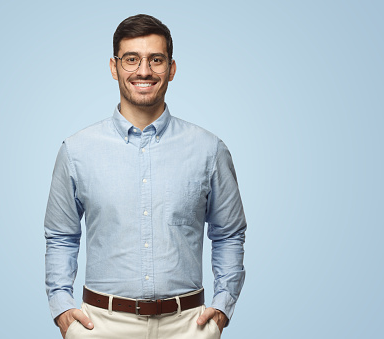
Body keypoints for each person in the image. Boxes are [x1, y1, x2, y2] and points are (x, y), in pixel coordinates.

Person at [45, 14, 247, 339]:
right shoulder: (76, 150)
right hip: (101, 326)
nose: (143, 71)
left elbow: (229, 233)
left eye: (156, 59)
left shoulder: (209, 149)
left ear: (172, 68)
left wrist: (222, 307)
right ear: (114, 67)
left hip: (187, 326)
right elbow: (60, 236)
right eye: (131, 59)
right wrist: (61, 307)